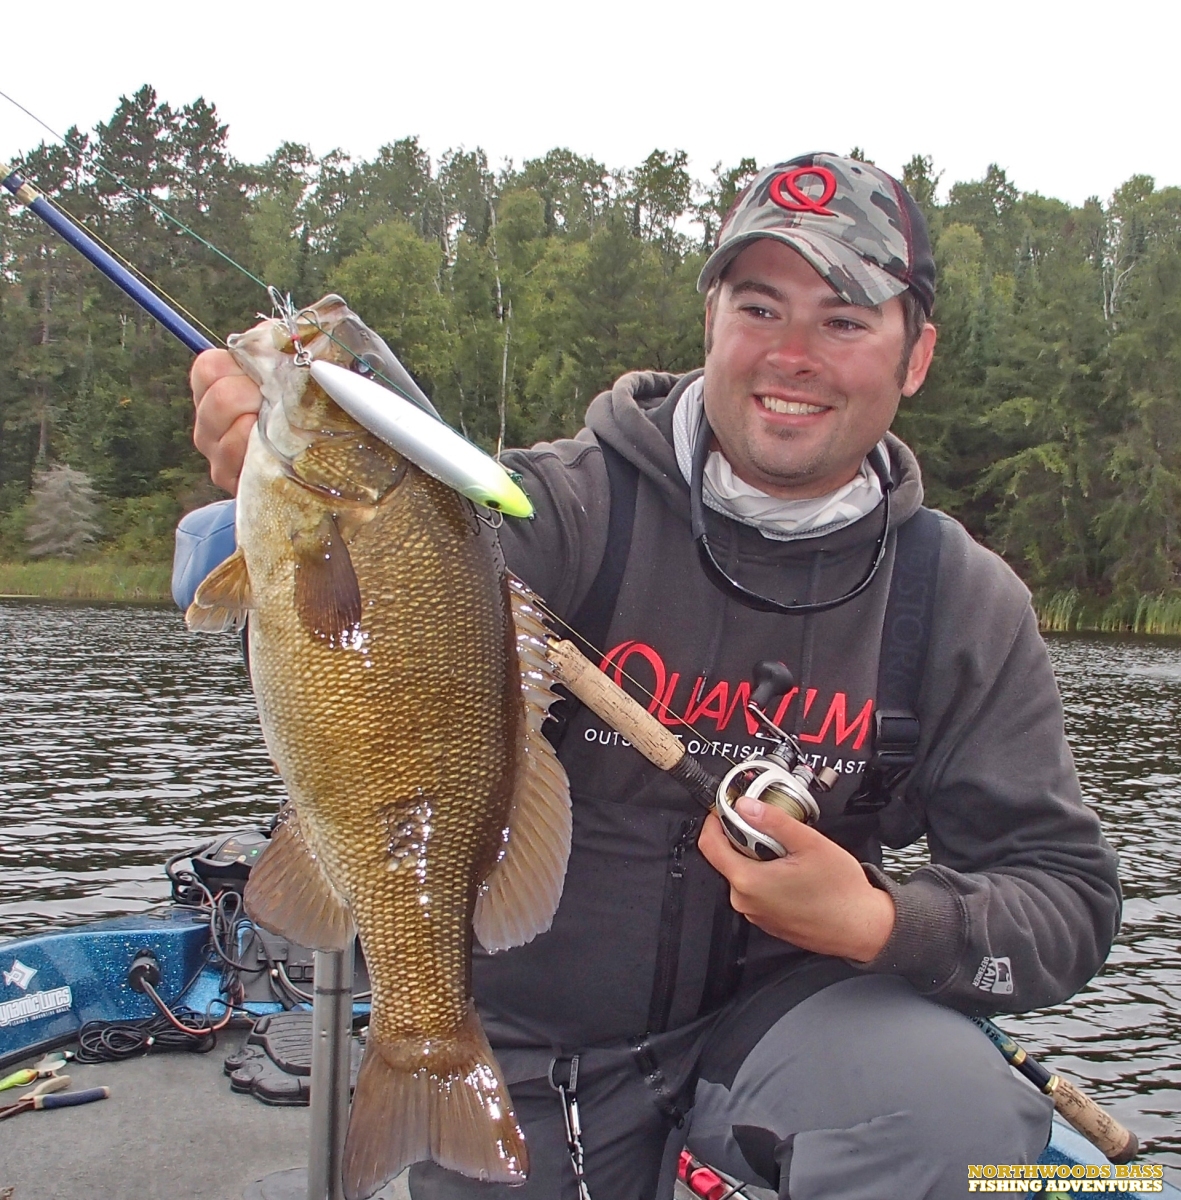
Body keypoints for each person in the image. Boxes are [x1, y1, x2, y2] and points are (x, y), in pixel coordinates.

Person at [178, 153, 1122, 1200]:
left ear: (915, 356)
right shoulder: (554, 514)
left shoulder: (959, 600)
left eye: (844, 321)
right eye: (758, 307)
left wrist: (882, 920)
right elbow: (366, 604)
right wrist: (247, 500)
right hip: (523, 1048)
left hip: (786, 1041)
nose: (792, 355)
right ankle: (430, 1064)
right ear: (709, 318)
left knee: (953, 1103)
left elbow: (1066, 905)